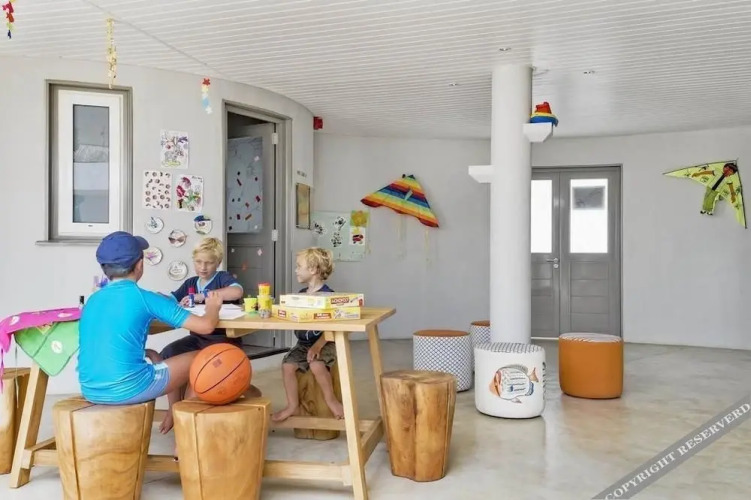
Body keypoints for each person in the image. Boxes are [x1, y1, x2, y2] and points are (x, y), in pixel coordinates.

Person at [78, 231, 224, 435]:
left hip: (90, 389)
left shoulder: (93, 300)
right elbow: (206, 326)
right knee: (206, 357)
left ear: (104, 268)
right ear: (140, 265)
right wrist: (213, 307)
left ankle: (175, 411)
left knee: (162, 355)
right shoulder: (144, 298)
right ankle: (186, 433)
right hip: (130, 388)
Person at [272, 248, 344, 422]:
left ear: (312, 270)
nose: (296, 270)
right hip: (303, 344)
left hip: (325, 342)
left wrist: (318, 346)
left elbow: (333, 328)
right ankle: (292, 405)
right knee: (287, 366)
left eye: (299, 266)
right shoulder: (300, 296)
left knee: (316, 365)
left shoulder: (329, 297)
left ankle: (331, 400)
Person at [160, 237, 245, 359]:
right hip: (197, 339)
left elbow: (237, 292)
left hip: (224, 339)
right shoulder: (190, 283)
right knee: (168, 353)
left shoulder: (222, 277)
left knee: (213, 364)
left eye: (209, 263)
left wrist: (201, 295)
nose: (203, 267)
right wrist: (156, 297)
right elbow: (172, 300)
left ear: (218, 262)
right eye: (198, 262)